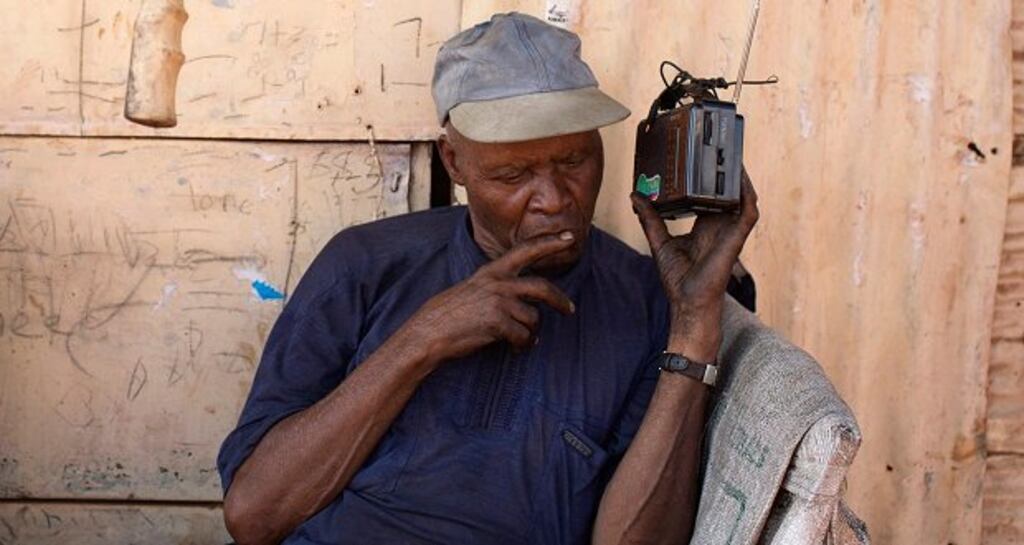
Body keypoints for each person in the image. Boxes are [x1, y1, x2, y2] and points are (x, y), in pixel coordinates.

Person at [218, 12, 758, 545]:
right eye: (513, 175)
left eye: (573, 161)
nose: (553, 199)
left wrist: (692, 329)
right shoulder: (364, 263)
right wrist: (420, 341)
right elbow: (255, 516)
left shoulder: (647, 305)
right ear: (453, 162)